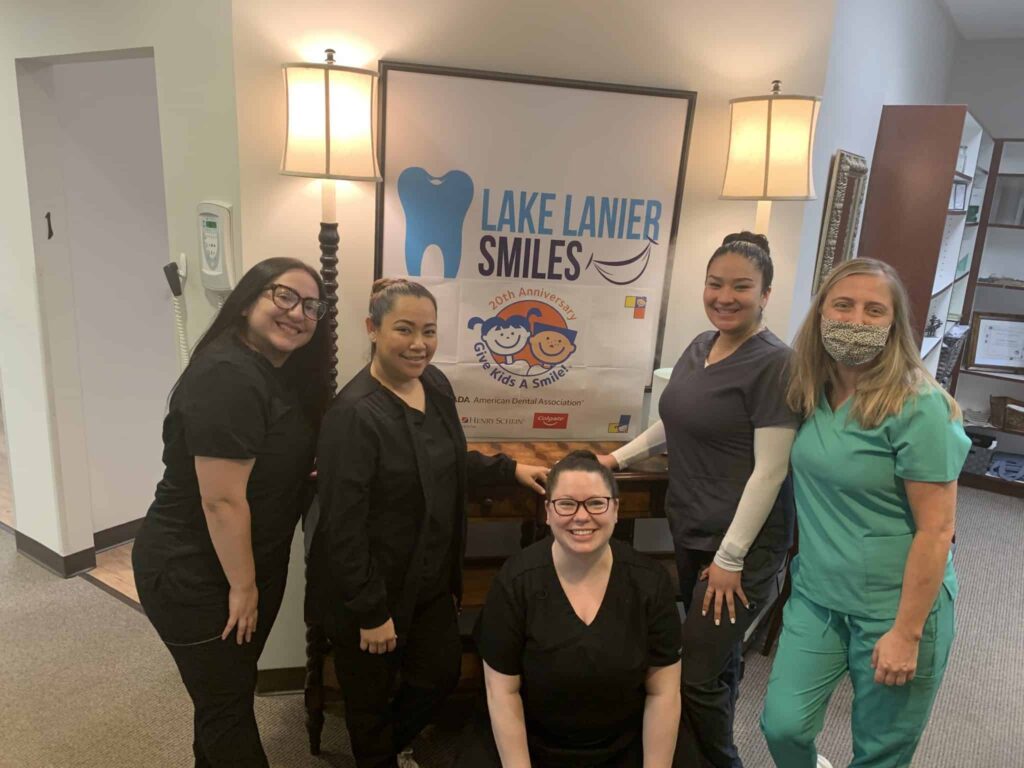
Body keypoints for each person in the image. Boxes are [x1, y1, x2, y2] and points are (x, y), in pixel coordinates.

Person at [309, 278, 549, 768]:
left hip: (430, 582)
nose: (419, 344)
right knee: (369, 704)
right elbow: (342, 527)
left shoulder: (434, 385)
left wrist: (509, 470)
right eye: (404, 329)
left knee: (439, 675)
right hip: (369, 589)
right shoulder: (352, 415)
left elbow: (447, 460)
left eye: (429, 331)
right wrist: (371, 612)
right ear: (372, 328)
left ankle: (389, 748)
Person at [599, 232, 798, 766]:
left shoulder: (777, 364)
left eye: (741, 287)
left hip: (741, 547)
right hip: (692, 527)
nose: (725, 297)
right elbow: (675, 418)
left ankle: (723, 761)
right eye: (715, 284)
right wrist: (615, 460)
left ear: (765, 294)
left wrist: (731, 558)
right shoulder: (700, 346)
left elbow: (771, 470)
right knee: (720, 661)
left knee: (695, 673)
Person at [759, 258, 969, 768]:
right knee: (782, 726)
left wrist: (907, 633)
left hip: (896, 606)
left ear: (894, 325)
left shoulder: (919, 407)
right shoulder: (809, 388)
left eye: (874, 311)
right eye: (843, 305)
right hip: (818, 595)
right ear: (821, 312)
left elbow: (937, 530)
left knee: (879, 752)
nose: (856, 320)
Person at [133, 258, 330, 767]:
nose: (298, 313)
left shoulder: (274, 373)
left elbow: (267, 454)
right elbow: (220, 500)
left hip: (241, 567)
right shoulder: (228, 375)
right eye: (284, 296)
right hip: (196, 572)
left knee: (224, 699)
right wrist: (243, 588)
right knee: (228, 714)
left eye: (311, 306)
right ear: (246, 302)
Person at [458, 450, 682, 768]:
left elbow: (663, 692)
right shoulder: (515, 581)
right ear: (548, 512)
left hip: (624, 742)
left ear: (616, 509)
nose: (581, 516)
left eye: (596, 503)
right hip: (531, 740)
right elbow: (502, 692)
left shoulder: (650, 582)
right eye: (566, 504)